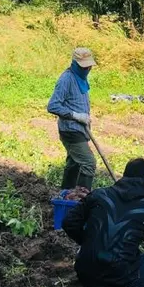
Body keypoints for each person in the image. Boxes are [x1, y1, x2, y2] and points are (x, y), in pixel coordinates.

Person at [63, 158, 144, 287]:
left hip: (85, 269)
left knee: (99, 260)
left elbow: (69, 223)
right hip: (118, 276)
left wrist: (88, 242)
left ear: (124, 176)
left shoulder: (99, 194)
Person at [47, 48, 98, 190]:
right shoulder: (66, 79)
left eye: (89, 66)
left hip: (80, 129)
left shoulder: (81, 78)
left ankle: (66, 192)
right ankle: (81, 198)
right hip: (71, 131)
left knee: (74, 163)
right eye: (84, 66)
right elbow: (53, 106)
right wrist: (76, 115)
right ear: (75, 64)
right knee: (88, 163)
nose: (87, 68)